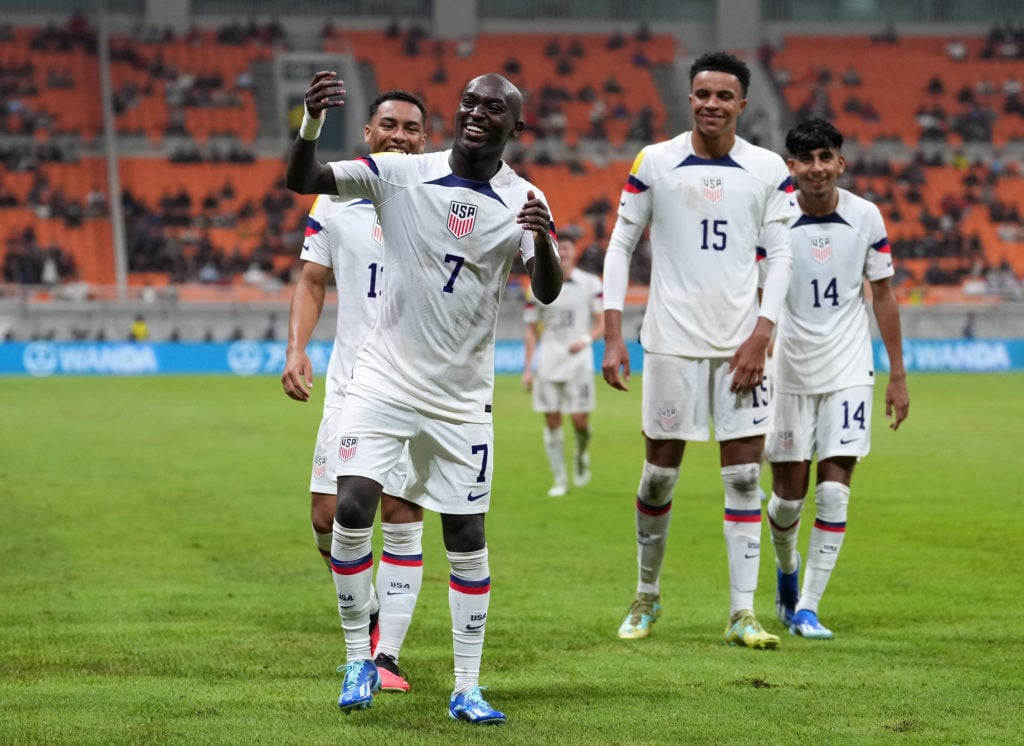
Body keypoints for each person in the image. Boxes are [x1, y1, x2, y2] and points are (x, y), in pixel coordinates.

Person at [286, 71, 562, 723]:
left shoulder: (524, 196)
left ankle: (467, 686)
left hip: (462, 399)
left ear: (514, 127)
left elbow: (545, 289)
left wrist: (545, 239)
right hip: (382, 378)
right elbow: (306, 181)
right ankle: (363, 657)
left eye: (492, 108)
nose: (476, 113)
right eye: (468, 102)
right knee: (351, 505)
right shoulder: (400, 173)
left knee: (465, 536)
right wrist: (311, 124)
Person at [601, 51, 797, 648]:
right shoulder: (655, 162)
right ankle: (647, 595)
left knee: (742, 479)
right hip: (671, 344)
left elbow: (783, 256)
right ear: (690, 99)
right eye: (702, 94)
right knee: (658, 479)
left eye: (723, 95)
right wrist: (612, 331)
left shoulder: (767, 169)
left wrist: (762, 334)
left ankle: (743, 613)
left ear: (742, 103)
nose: (712, 103)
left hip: (742, 346)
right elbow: (620, 245)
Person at [281, 90, 430, 694]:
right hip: (348, 384)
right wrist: (297, 347)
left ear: (426, 138)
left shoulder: (441, 197)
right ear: (367, 132)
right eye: (389, 125)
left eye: (412, 128)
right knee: (326, 516)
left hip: (415, 384)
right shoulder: (335, 200)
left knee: (399, 510)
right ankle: (368, 615)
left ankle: (385, 656)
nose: (399, 135)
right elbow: (313, 279)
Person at [767, 118, 909, 639]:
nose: (817, 168)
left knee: (834, 493)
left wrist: (897, 374)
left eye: (826, 157)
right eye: (806, 159)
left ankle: (807, 607)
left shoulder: (866, 216)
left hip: (850, 366)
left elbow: (885, 295)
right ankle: (786, 575)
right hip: (787, 370)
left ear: (840, 162)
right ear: (792, 167)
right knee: (788, 499)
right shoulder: (774, 218)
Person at [522, 234, 603, 497]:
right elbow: (532, 330)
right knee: (552, 420)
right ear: (555, 252)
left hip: (579, 362)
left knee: (579, 421)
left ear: (574, 251)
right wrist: (527, 368)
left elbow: (601, 322)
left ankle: (581, 453)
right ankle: (559, 479)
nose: (564, 252)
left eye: (568, 248)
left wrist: (585, 339)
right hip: (549, 361)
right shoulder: (537, 284)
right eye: (560, 248)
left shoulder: (590, 284)